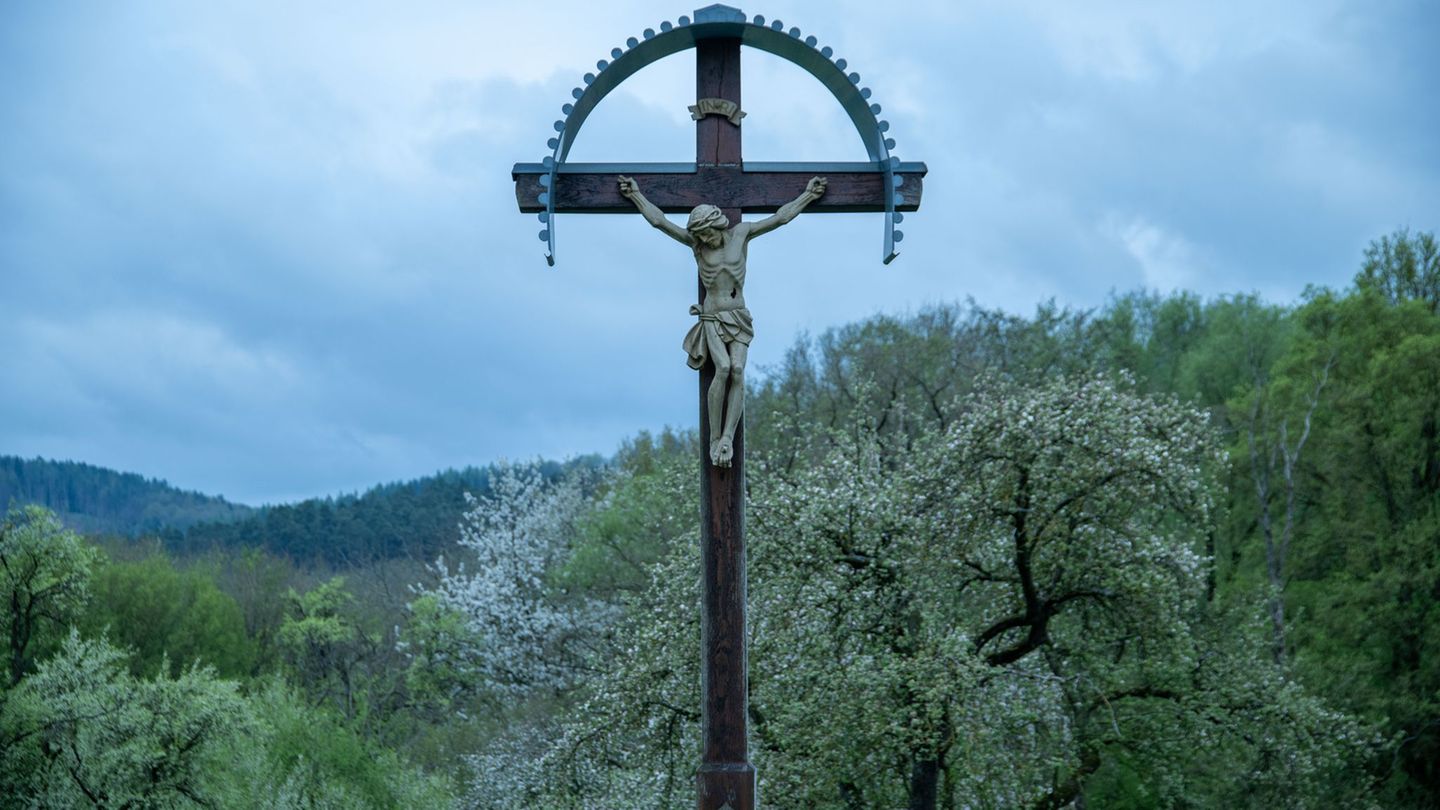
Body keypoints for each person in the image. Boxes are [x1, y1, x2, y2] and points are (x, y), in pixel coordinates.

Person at [618, 174, 827, 466]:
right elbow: (660, 222)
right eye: (700, 235)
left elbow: (780, 218)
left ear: (717, 225)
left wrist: (808, 195)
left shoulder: (741, 234)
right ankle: (715, 437)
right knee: (724, 368)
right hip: (712, 316)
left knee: (738, 370)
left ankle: (728, 436)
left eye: (707, 233)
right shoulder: (698, 246)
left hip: (739, 315)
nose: (704, 239)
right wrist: (636, 195)